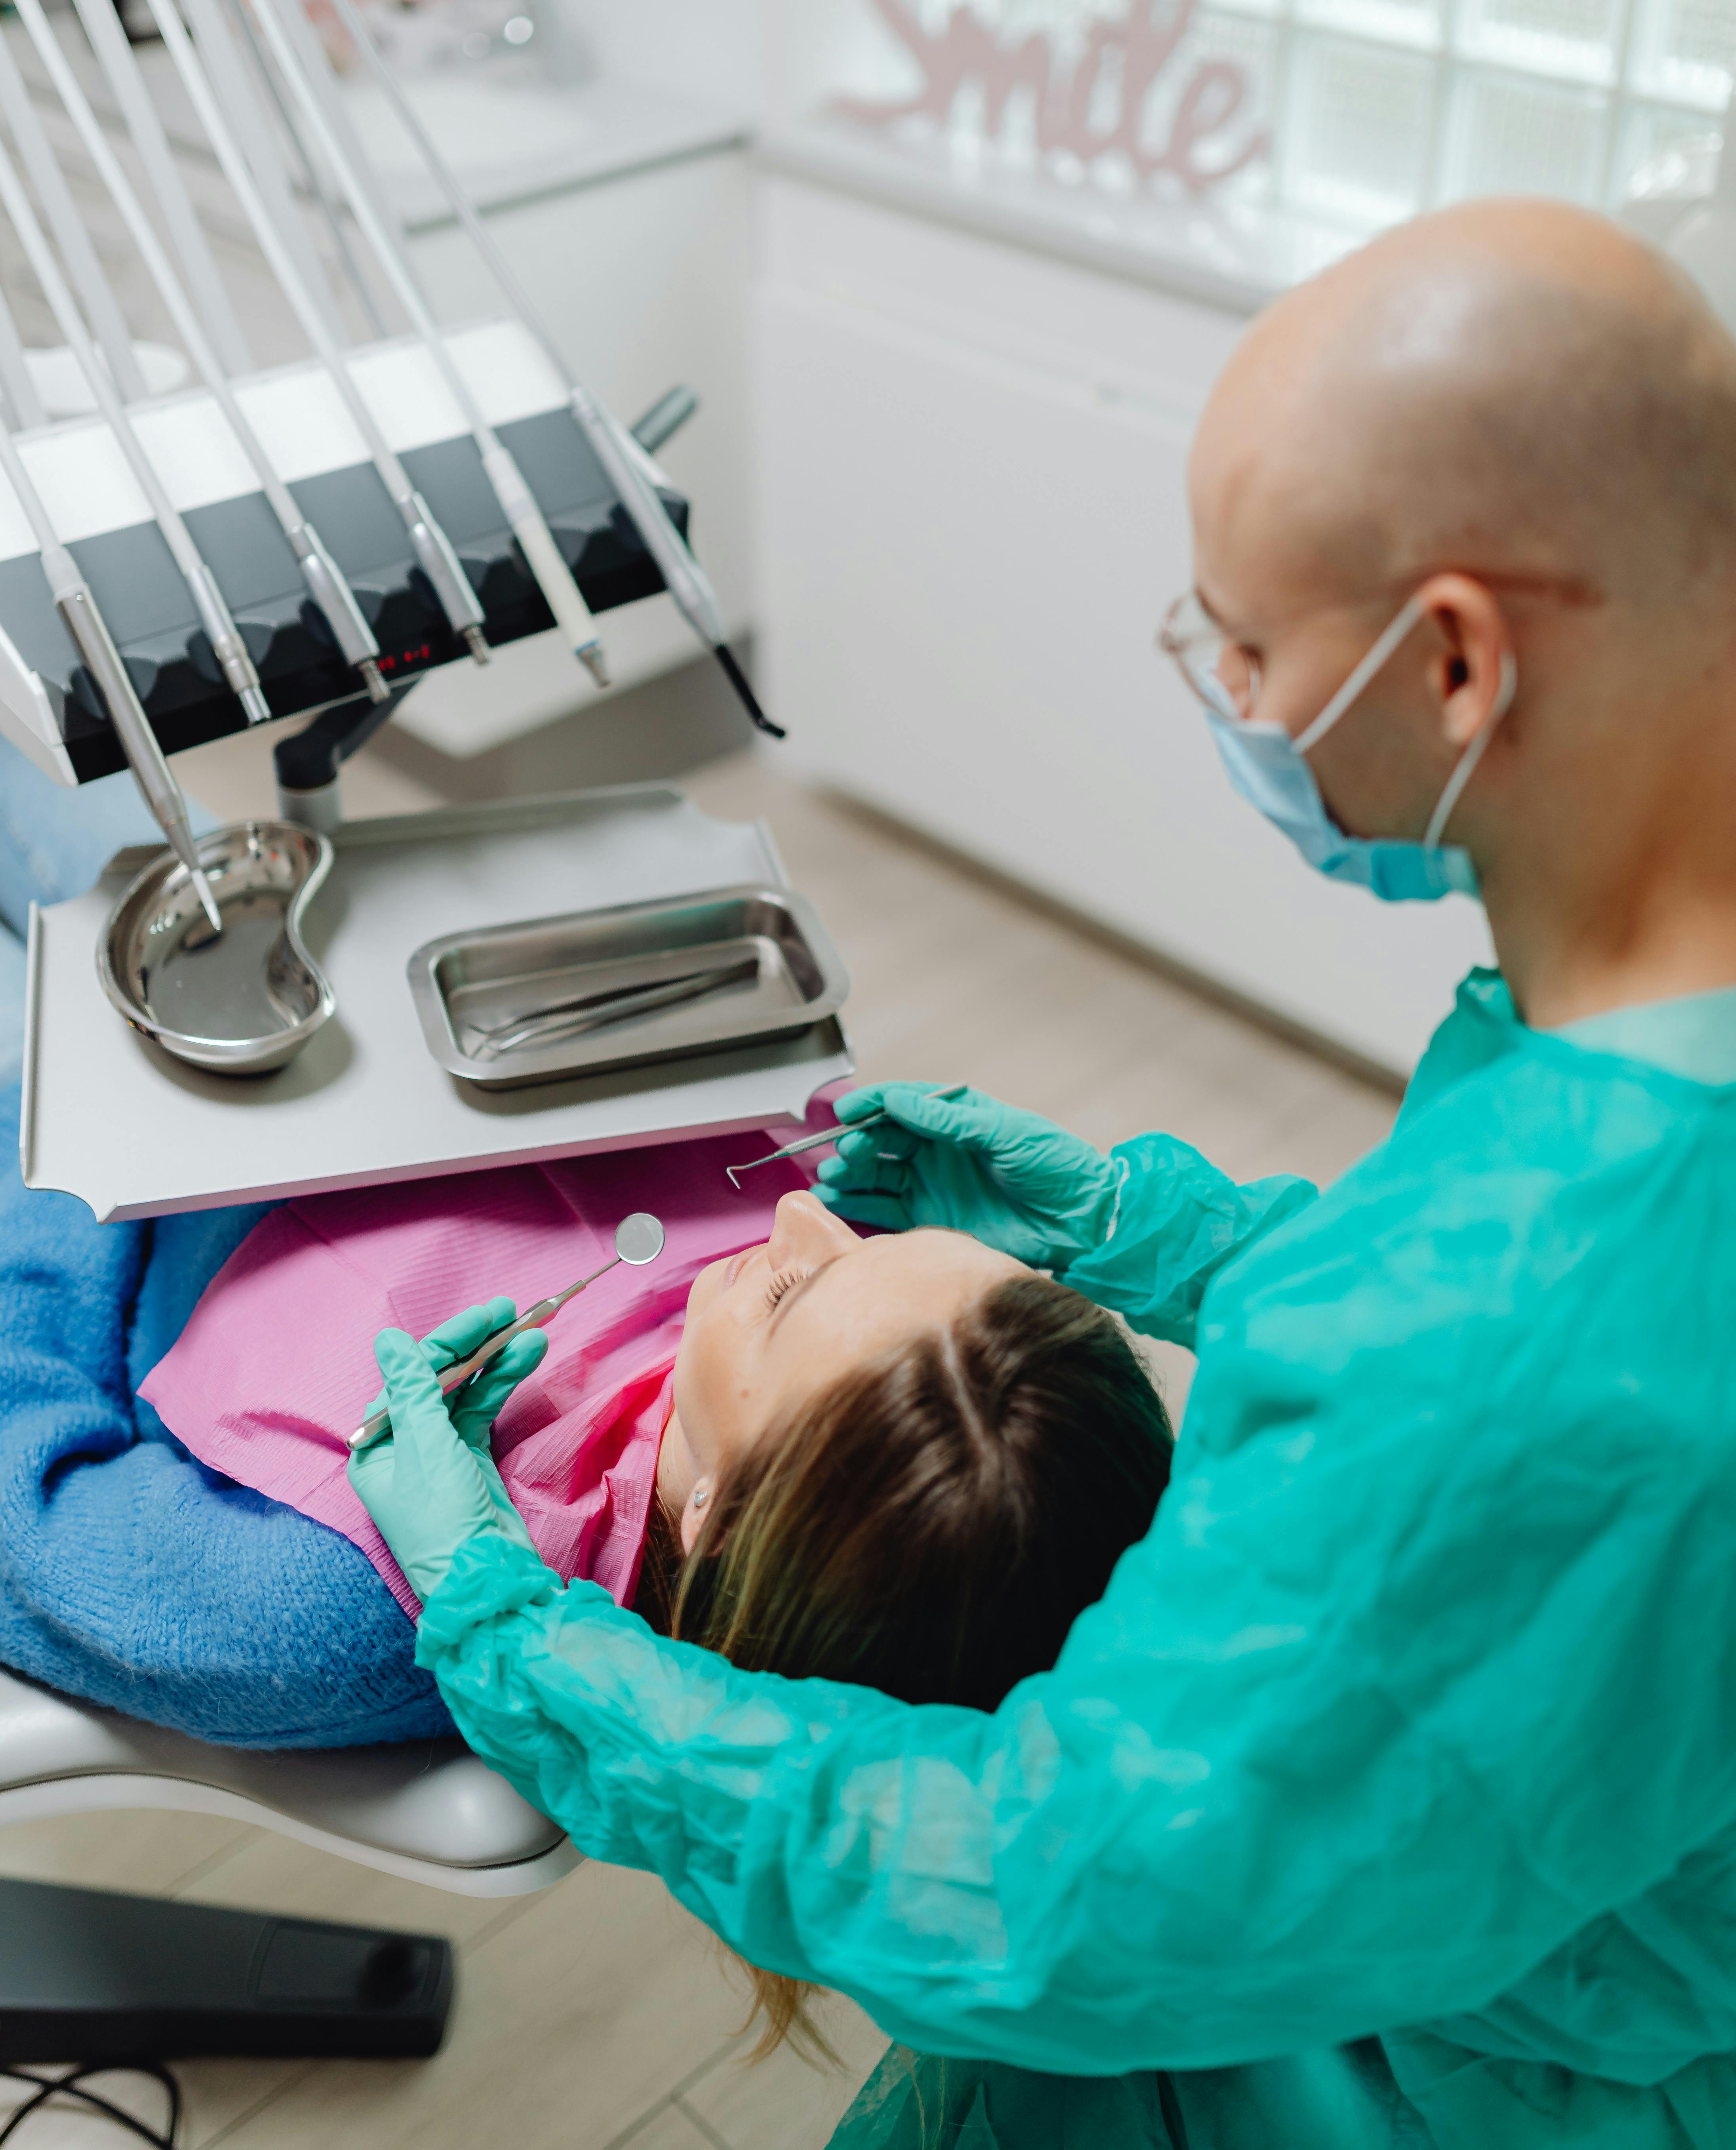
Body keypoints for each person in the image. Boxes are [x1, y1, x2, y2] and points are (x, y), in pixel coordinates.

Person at [353, 197, 1736, 2149]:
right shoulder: (1634, 1089)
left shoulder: (1503, 1328)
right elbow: (1610, 1367)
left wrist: (527, 1644)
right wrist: (1158, 1237)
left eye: (1246, 649)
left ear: (1451, 665)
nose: (1237, 706)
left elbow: (1045, 1900)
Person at [0, 716, 1171, 1800]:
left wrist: (91, 1129)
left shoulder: (332, 1611)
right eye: (899, 1246)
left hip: (37, 1199)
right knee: (24, 731)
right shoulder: (833, 1283)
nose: (802, 1222)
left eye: (799, 1289)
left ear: (714, 1513)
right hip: (252, 1049)